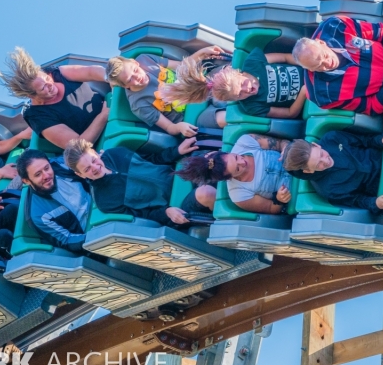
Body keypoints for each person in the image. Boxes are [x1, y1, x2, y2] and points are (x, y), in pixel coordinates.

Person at [62, 137, 212, 226]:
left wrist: (177, 151)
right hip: (176, 204)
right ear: (80, 174)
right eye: (87, 169)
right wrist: (167, 212)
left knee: (209, 158)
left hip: (180, 176)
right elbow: (143, 215)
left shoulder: (116, 153)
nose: (95, 168)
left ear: (95, 152)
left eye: (94, 160)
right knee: (205, 192)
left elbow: (152, 160)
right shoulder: (104, 201)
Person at [282, 130, 383, 213]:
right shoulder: (327, 190)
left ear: (316, 145)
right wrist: (375, 203)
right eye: (319, 164)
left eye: (321, 155)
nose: (325, 161)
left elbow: (365, 139)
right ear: (308, 171)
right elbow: (356, 200)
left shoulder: (332, 137)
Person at [0, 48, 110, 149]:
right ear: (32, 96)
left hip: (111, 108)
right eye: (43, 88)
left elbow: (90, 72)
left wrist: (109, 77)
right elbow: (78, 146)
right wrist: (103, 116)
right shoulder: (37, 116)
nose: (50, 84)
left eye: (47, 78)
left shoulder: (56, 74)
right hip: (100, 141)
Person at [107, 46, 227, 138]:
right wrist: (179, 127)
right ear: (125, 86)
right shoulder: (139, 104)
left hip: (199, 86)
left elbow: (181, 66)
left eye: (135, 70)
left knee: (227, 81)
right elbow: (169, 127)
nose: (136, 77)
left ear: (135, 63)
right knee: (224, 118)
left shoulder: (146, 60)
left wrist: (202, 53)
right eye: (130, 80)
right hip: (192, 114)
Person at [161, 48, 307, 120]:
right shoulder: (252, 107)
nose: (247, 90)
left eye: (243, 84)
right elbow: (290, 113)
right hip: (309, 95)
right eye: (240, 94)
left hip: (309, 68)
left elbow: (286, 57)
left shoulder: (253, 62)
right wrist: (303, 92)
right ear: (235, 100)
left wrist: (308, 65)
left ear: (239, 73)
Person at [177, 134, 292, 215]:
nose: (242, 162)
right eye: (238, 169)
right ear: (229, 178)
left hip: (299, 158)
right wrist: (279, 199)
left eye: (236, 157)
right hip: (296, 190)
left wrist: (286, 149)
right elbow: (272, 208)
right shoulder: (238, 195)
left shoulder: (245, 142)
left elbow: (281, 143)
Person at [17, 149, 90, 253]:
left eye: (47, 168)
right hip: (90, 232)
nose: (46, 176)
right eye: (38, 174)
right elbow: (67, 240)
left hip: (102, 203)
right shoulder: (38, 214)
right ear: (27, 181)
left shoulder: (60, 164)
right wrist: (95, 237)